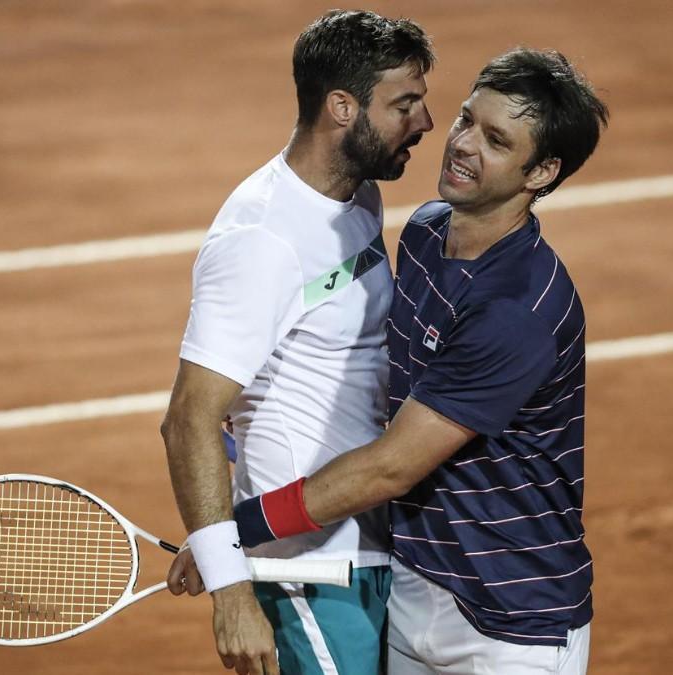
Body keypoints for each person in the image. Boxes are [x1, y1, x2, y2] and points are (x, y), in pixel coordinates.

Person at [172, 48, 609, 674]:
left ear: (541, 172)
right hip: (413, 585)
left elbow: (389, 468)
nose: (459, 144)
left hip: (510, 623)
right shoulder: (427, 235)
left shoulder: (517, 309)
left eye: (495, 140)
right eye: (465, 120)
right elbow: (378, 371)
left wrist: (232, 530)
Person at [160, 10, 435, 675]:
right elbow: (189, 417)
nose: (425, 124)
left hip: (370, 544)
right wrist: (231, 588)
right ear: (343, 108)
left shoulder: (357, 194)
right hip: (305, 573)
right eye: (405, 105)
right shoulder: (261, 239)